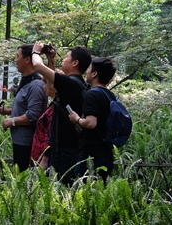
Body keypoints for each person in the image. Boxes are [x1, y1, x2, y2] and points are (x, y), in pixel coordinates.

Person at [31, 42, 92, 183]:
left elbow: (38, 66)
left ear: (75, 63)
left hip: (64, 149)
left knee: (63, 188)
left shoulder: (69, 83)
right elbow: (51, 84)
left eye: (67, 57)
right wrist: (50, 59)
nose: (63, 59)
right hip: (73, 145)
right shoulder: (79, 84)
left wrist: (35, 52)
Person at [0, 44, 47, 171]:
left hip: (27, 143)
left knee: (24, 178)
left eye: (17, 56)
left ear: (27, 59)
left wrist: (12, 121)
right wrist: (4, 111)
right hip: (20, 141)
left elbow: (33, 115)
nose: (15, 60)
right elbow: (26, 109)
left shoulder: (36, 85)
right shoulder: (26, 81)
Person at [67, 57, 120, 182]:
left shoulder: (92, 94)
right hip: (106, 151)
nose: (87, 72)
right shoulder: (110, 95)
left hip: (91, 154)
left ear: (95, 74)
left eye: (89, 69)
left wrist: (77, 119)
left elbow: (91, 123)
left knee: (83, 191)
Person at [30, 80, 57, 169]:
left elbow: (50, 134)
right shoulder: (53, 104)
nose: (43, 86)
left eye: (46, 83)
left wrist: (45, 158)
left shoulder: (55, 108)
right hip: (39, 155)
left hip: (44, 158)